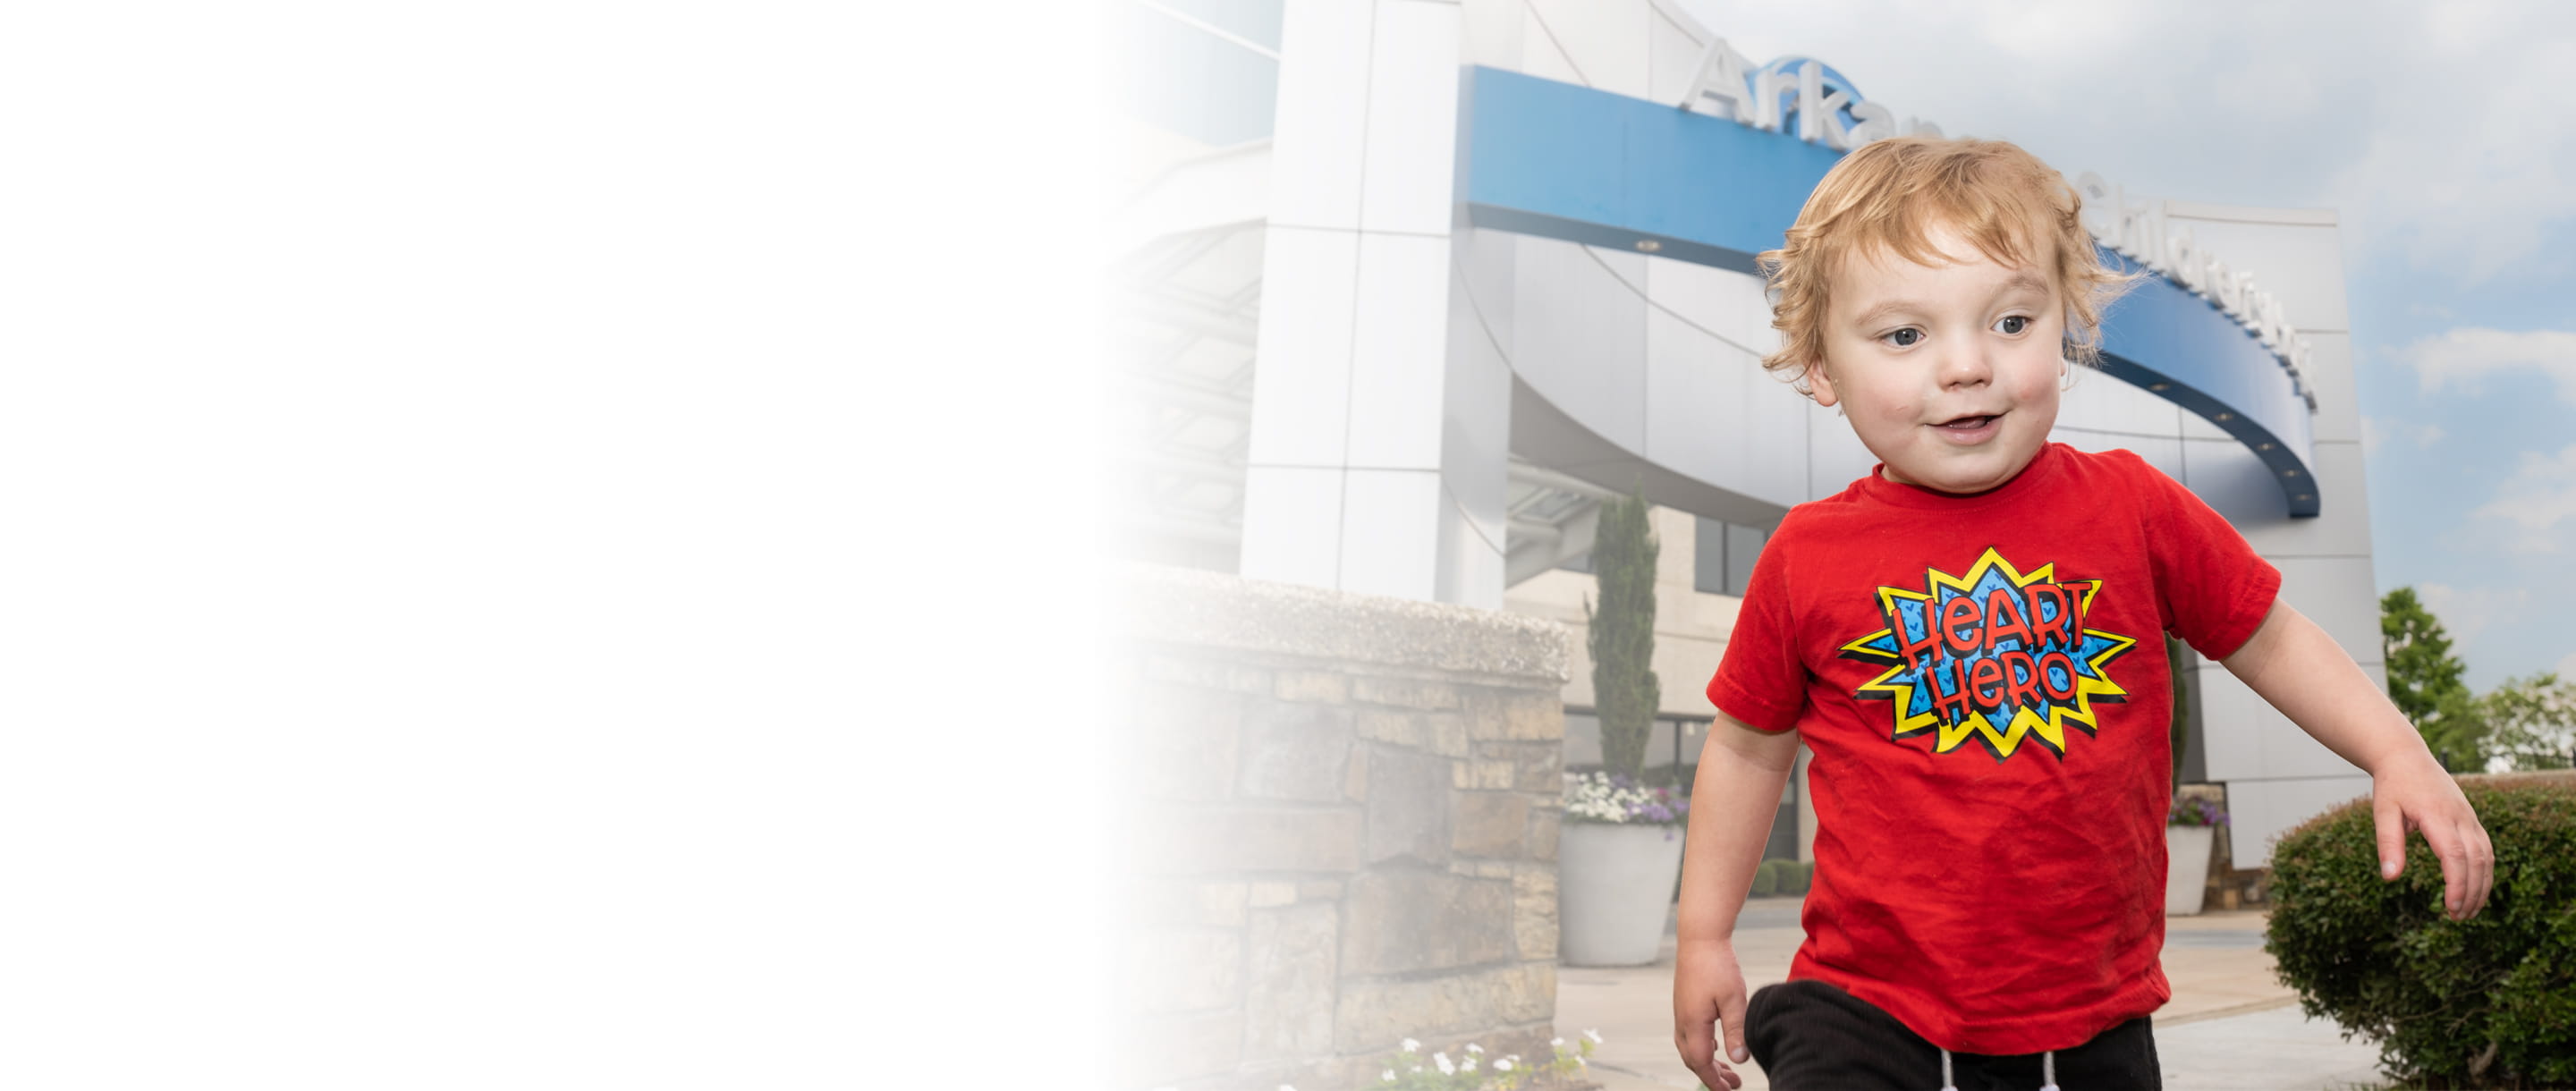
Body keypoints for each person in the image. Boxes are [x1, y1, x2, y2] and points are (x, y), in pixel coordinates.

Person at [1667, 136, 2496, 1091]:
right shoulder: (1807, 555)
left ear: (2066, 331)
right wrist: (1703, 932)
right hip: (1865, 1011)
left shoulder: (2133, 507)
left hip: (2092, 1022)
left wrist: (2400, 752)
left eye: (2012, 319)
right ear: (1821, 368)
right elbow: (1745, 747)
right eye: (1906, 335)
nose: (1968, 365)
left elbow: (2268, 637)